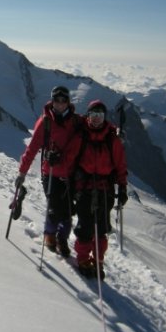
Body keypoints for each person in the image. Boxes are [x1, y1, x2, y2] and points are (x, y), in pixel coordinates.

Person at [15, 86, 82, 256]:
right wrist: (22, 172)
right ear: (52, 101)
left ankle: (62, 239)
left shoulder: (76, 121)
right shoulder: (45, 122)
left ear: (68, 102)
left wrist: (115, 132)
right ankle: (50, 235)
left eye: (63, 100)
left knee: (67, 211)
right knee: (54, 209)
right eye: (57, 100)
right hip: (50, 173)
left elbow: (94, 126)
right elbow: (32, 148)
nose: (60, 104)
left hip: (70, 174)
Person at [65, 99, 128, 279]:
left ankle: (98, 260)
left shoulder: (112, 139)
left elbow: (120, 165)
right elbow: (70, 161)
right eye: (93, 115)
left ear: (104, 117)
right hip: (84, 188)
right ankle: (83, 259)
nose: (97, 119)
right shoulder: (81, 136)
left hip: (104, 190)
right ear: (88, 116)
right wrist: (68, 183)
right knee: (85, 226)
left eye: (100, 115)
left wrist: (122, 187)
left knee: (101, 228)